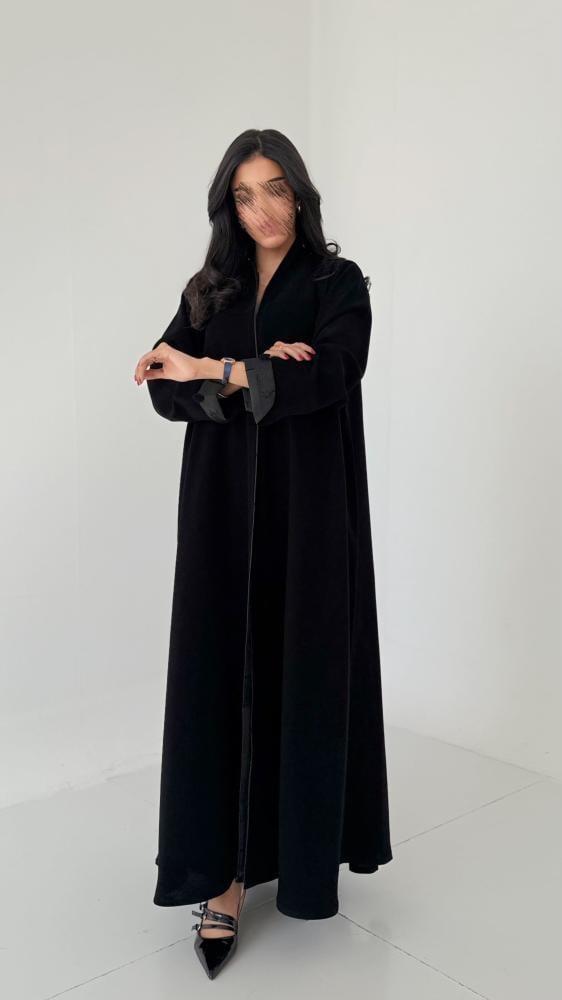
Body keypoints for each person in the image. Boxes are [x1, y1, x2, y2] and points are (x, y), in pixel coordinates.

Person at [134, 128, 393, 980]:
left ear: (299, 191)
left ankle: (299, 858)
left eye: (274, 189)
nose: (262, 210)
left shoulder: (335, 283)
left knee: (301, 670)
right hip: (221, 513)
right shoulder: (210, 288)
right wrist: (244, 371)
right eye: (244, 196)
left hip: (308, 512)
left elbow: (334, 373)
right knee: (218, 675)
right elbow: (165, 383)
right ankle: (222, 881)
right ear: (229, 207)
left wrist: (222, 371)